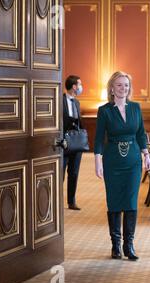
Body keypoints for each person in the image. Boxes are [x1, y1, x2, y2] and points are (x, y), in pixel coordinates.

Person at [94, 71, 150, 261]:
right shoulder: (105, 110)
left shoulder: (136, 107)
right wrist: (97, 161)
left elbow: (141, 133)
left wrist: (146, 155)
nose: (123, 88)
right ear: (111, 88)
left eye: (126, 85)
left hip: (133, 160)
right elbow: (99, 138)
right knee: (114, 201)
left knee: (131, 201)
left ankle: (129, 245)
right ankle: (115, 245)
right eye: (119, 85)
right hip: (112, 161)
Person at [63, 75, 84, 210]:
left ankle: (71, 201)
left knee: (74, 172)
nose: (81, 87)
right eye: (80, 84)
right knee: (60, 172)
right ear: (74, 86)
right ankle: (56, 200)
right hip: (64, 142)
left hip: (76, 142)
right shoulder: (60, 100)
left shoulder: (77, 102)